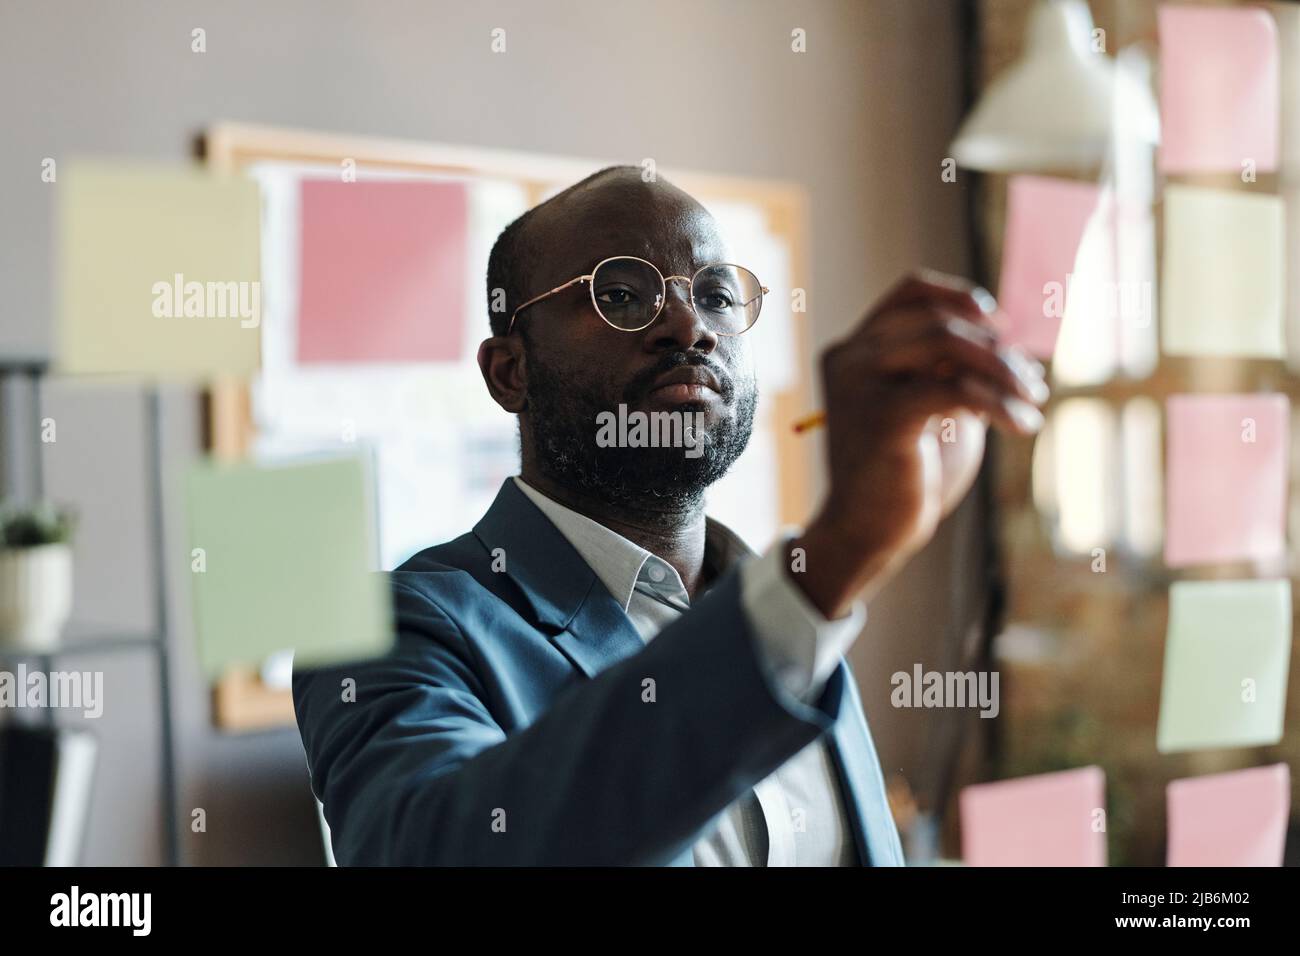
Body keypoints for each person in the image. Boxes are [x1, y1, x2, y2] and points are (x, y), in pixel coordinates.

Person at [291, 165, 1048, 866]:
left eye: (716, 294)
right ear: (511, 372)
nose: (690, 327)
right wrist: (838, 556)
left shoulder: (781, 603)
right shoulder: (385, 629)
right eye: (620, 295)